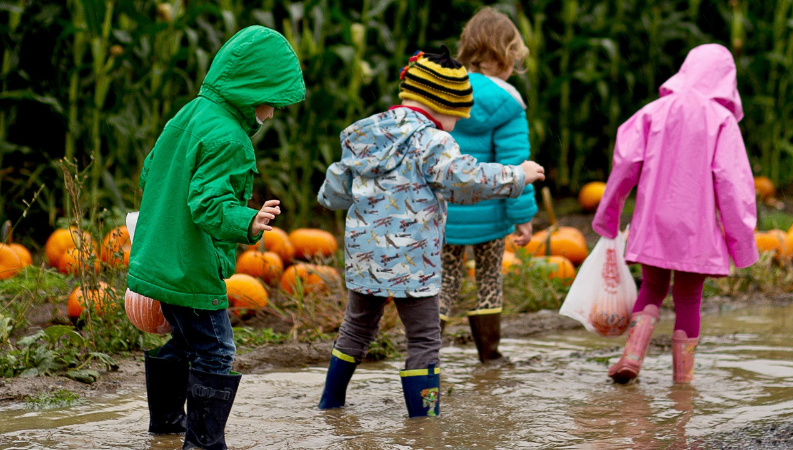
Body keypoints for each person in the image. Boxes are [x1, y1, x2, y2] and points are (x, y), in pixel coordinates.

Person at [316, 46, 545, 417]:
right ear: (443, 105)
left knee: (356, 329)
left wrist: (343, 198)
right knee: (423, 339)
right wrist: (518, 175)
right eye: (458, 114)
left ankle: (330, 403)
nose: (459, 123)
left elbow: (335, 188)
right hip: (413, 260)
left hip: (365, 257)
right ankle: (424, 423)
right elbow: (464, 180)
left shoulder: (367, 130)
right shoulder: (433, 141)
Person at [127, 26, 305, 449]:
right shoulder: (231, 138)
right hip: (191, 266)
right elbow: (207, 206)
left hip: (159, 255)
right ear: (250, 91)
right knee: (217, 351)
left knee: (185, 342)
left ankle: (167, 424)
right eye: (272, 102)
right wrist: (248, 222)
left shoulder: (190, 113)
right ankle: (203, 443)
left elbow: (149, 173)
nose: (273, 113)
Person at [592, 44, 758, 384]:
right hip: (696, 232)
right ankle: (683, 383)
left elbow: (624, 165)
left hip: (653, 224)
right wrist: (741, 244)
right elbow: (733, 185)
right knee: (688, 298)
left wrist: (609, 215)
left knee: (652, 287)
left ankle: (631, 357)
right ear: (726, 81)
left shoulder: (653, 112)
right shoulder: (722, 121)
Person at [440, 7, 538, 363]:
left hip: (445, 211)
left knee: (445, 281)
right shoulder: (508, 104)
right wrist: (523, 217)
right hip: (492, 210)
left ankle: (425, 352)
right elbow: (517, 166)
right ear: (506, 56)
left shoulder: (443, 90)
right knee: (489, 278)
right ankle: (490, 356)